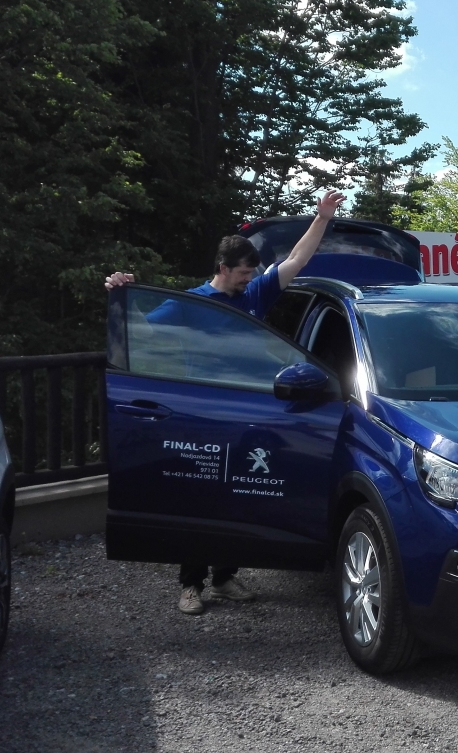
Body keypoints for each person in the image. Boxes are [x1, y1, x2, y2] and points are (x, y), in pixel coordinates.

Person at [105, 190, 345, 615]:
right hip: (205, 413)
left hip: (249, 410)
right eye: (243, 273)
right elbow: (143, 329)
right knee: (200, 497)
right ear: (223, 269)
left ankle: (224, 578)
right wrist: (121, 292)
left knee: (242, 495)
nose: (249, 279)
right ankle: (190, 585)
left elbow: (297, 259)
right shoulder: (190, 303)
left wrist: (322, 218)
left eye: (252, 273)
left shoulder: (254, 294)